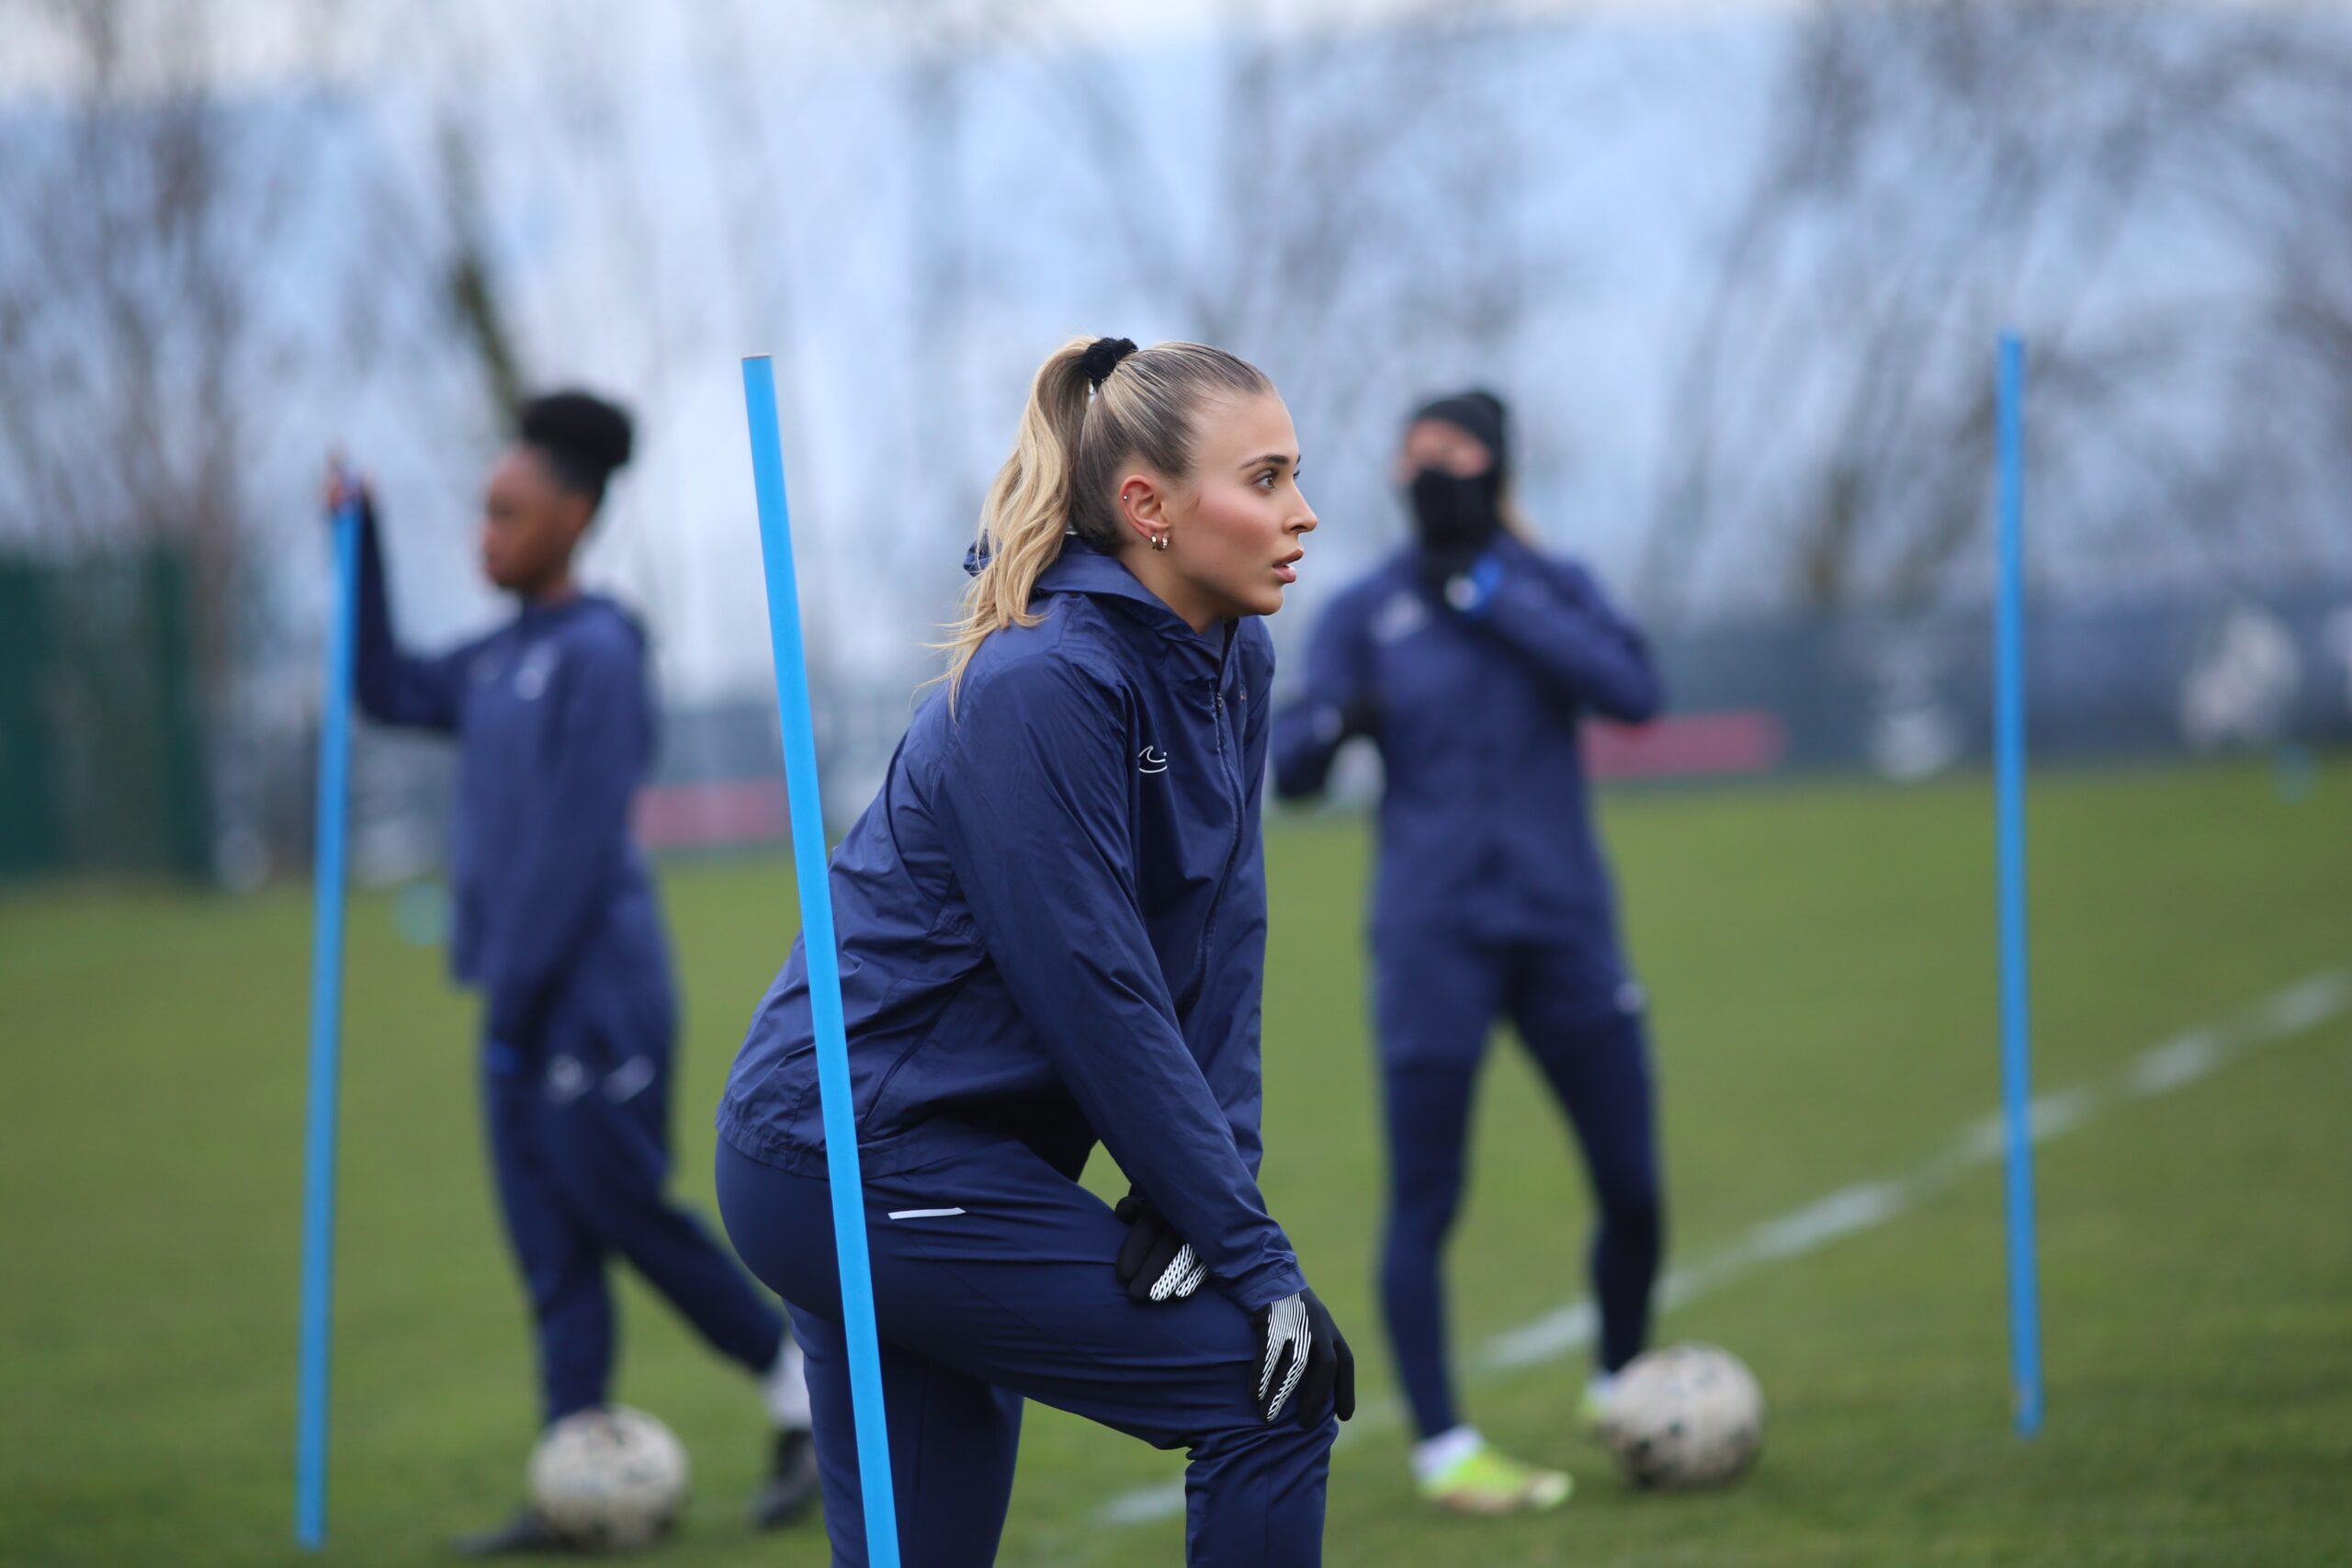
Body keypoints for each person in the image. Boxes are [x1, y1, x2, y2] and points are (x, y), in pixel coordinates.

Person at [713, 336, 1352, 1567]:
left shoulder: (1235, 660)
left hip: (957, 1153)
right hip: (849, 1155)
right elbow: (1097, 985)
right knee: (1269, 1382)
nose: (1302, 511)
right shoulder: (1039, 679)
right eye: (1265, 477)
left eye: (1295, 474)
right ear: (1148, 506)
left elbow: (1224, 940)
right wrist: (1255, 1257)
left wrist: (1209, 1187)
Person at [334, 390, 820, 1554]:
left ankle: (798, 1388)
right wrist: (358, 548)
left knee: (618, 1205)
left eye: (507, 512)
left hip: (594, 995)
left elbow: (572, 840)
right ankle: (578, 1478)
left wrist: (515, 989)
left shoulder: (599, 654)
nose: (484, 534)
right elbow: (387, 687)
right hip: (515, 998)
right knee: (550, 1247)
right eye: (479, 513)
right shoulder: (497, 657)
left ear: (575, 515)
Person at [1270, 389, 1665, 1517]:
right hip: (1432, 937)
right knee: (1426, 1199)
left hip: (1565, 929)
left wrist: (1490, 598)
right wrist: (1325, 728)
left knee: (1632, 1186)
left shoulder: (1552, 584)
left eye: (1445, 455)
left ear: (1494, 465)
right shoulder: (1362, 609)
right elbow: (1294, 774)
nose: (1421, 474)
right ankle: (1446, 1450)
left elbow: (1634, 693)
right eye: (1407, 459)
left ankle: (1620, 1385)